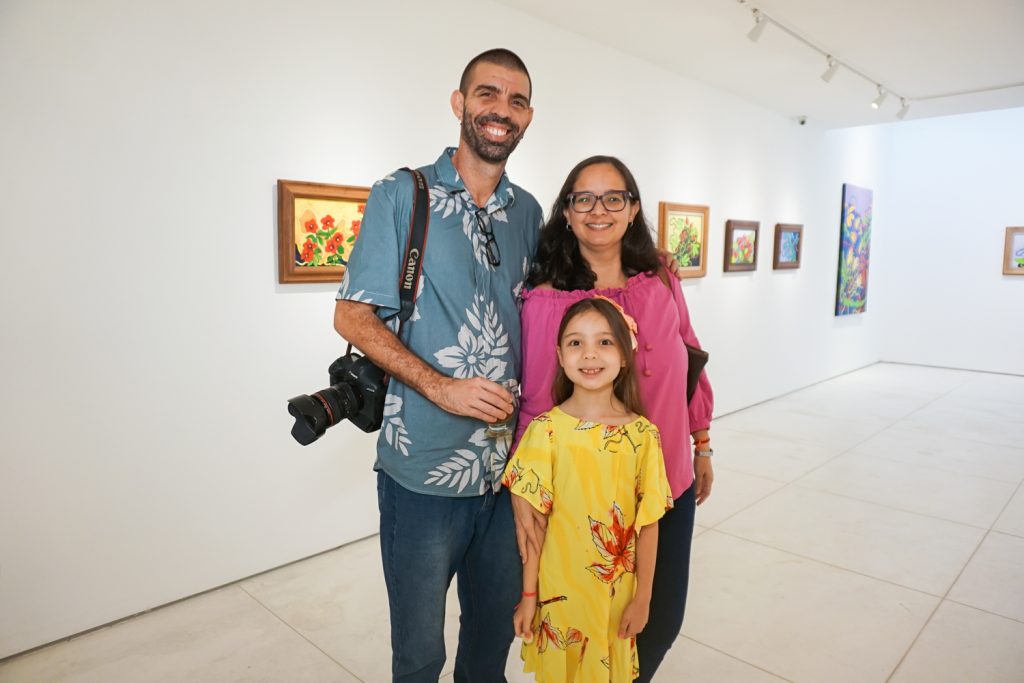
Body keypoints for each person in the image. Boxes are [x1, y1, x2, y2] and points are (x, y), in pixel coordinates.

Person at [332, 48, 542, 682]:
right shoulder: (403, 194)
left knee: (489, 648)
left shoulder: (528, 212)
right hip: (422, 472)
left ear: (529, 117)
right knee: (420, 656)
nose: (500, 111)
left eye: (516, 100)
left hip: (511, 475)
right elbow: (352, 316)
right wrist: (440, 387)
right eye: (488, 94)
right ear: (460, 104)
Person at [511, 156, 714, 681]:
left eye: (613, 197)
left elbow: (688, 356)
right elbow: (535, 401)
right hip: (586, 501)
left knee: (659, 621)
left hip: (662, 477)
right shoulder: (547, 298)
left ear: (633, 208)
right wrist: (525, 489)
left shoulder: (662, 277)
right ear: (567, 211)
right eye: (583, 198)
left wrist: (702, 440)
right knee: (588, 628)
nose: (598, 210)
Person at [504, 297, 673, 681]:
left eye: (605, 342)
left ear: (626, 355)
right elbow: (532, 530)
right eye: (576, 343)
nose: (589, 354)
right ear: (559, 356)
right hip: (559, 598)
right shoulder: (544, 431)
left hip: (616, 599)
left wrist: (643, 598)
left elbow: (649, 525)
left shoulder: (644, 436)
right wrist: (529, 597)